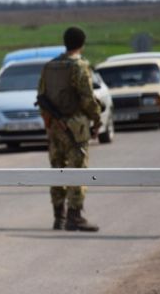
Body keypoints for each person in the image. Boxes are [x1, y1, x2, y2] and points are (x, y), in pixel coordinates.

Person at [37, 26, 102, 232]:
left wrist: (51, 122)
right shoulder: (79, 66)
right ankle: (75, 216)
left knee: (57, 169)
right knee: (78, 169)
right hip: (76, 127)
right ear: (81, 44)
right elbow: (87, 98)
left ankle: (59, 217)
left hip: (55, 127)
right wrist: (97, 118)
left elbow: (41, 96)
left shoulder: (50, 66)